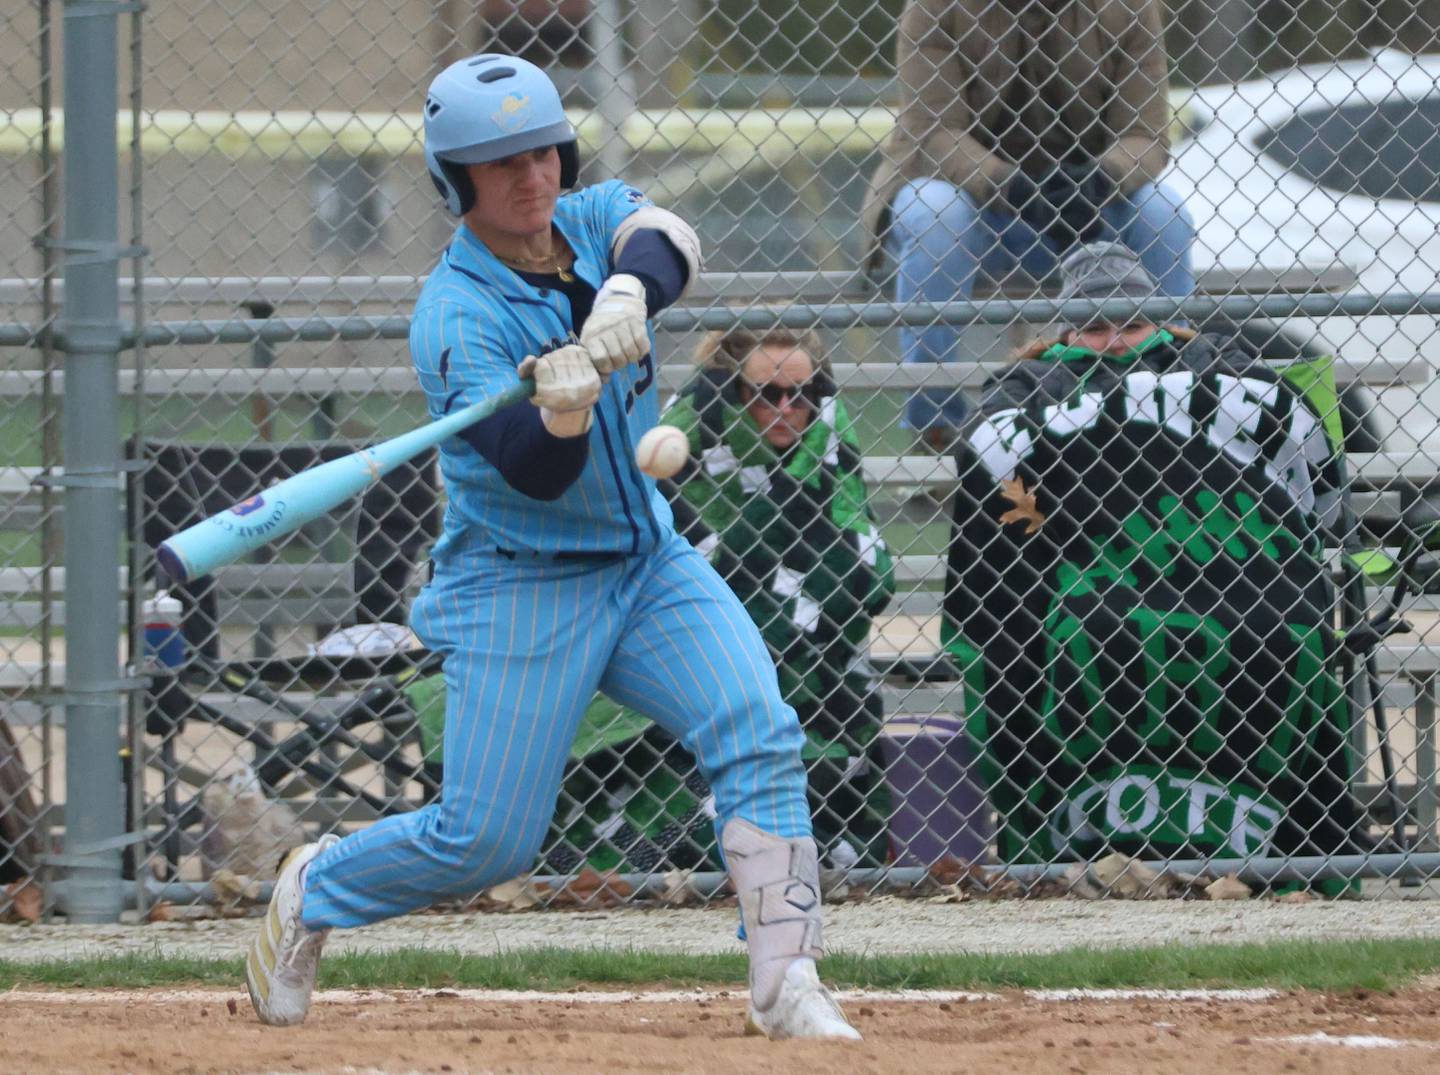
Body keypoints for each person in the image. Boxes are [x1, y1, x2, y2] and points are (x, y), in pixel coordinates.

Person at [244, 53, 860, 1042]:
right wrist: (563, 413)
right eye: (501, 165)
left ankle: (789, 978)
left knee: (756, 724)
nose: (533, 178)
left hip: (646, 563)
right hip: (519, 585)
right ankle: (317, 886)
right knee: (487, 841)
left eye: (543, 152)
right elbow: (532, 472)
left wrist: (622, 294)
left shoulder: (585, 216)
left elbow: (668, 237)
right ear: (457, 184)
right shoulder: (454, 316)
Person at [943, 241, 1366, 876]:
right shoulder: (1026, 385)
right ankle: (1083, 843)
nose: (1115, 343)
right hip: (1086, 586)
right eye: (1092, 327)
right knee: (1093, 637)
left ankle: (1288, 854)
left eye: (1131, 324)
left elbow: (1316, 492)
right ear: (1063, 329)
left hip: (1233, 579)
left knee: (1275, 639)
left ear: (1164, 319)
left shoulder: (1224, 360)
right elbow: (990, 482)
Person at [859, 0, 1196, 449]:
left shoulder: (1130, 5)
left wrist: (1100, 179)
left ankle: (1174, 397)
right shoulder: (934, 6)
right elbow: (935, 130)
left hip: (1085, 205)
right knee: (934, 211)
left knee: (1163, 213)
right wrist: (1011, 188)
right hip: (975, 208)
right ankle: (936, 424)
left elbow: (1146, 134)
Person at [657, 326, 898, 866]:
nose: (788, 407)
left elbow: (868, 566)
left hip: (818, 664)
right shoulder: (690, 454)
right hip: (702, 662)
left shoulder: (830, 452)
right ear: (735, 395)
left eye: (803, 393)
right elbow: (685, 561)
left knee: (841, 716)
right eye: (767, 394)